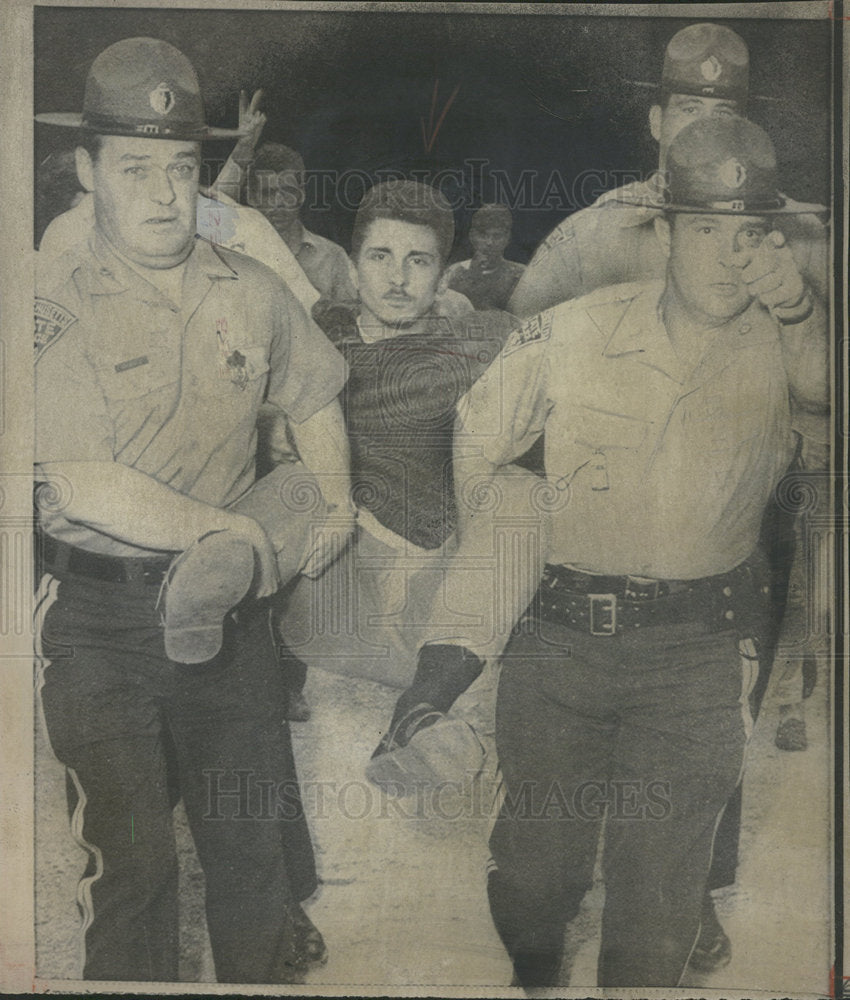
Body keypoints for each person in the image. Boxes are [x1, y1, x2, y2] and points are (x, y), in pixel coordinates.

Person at [455, 116, 827, 988]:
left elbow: (827, 395)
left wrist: (800, 307)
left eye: (748, 234)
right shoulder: (574, 328)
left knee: (658, 902)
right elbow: (477, 437)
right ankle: (535, 964)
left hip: (695, 655)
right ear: (664, 234)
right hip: (557, 643)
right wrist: (488, 578)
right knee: (535, 881)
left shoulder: (790, 342)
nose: (728, 256)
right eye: (705, 230)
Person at [33, 37, 352, 983]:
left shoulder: (250, 287)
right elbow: (83, 480)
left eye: (180, 169)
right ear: (87, 169)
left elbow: (315, 395)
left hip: (231, 624)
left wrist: (334, 502)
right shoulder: (51, 302)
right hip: (100, 624)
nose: (166, 194)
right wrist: (229, 531)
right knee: (133, 871)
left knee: (252, 867)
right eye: (136, 168)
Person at [278, 180, 520, 760]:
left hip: (424, 592)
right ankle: (265, 670)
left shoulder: (476, 352)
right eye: (380, 257)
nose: (398, 278)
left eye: (419, 261)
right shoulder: (316, 339)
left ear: (442, 278)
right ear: (352, 266)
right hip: (328, 579)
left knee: (519, 494)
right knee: (295, 480)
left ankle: (422, 710)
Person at [508, 22, 827, 317]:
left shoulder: (801, 232)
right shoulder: (596, 232)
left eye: (723, 113)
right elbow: (515, 335)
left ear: (745, 128)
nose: (705, 128)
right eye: (689, 109)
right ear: (657, 122)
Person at [444, 204, 526, 311]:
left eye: (497, 236)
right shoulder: (454, 274)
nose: (489, 242)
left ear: (507, 238)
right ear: (472, 236)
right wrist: (473, 276)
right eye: (483, 235)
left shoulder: (519, 275)